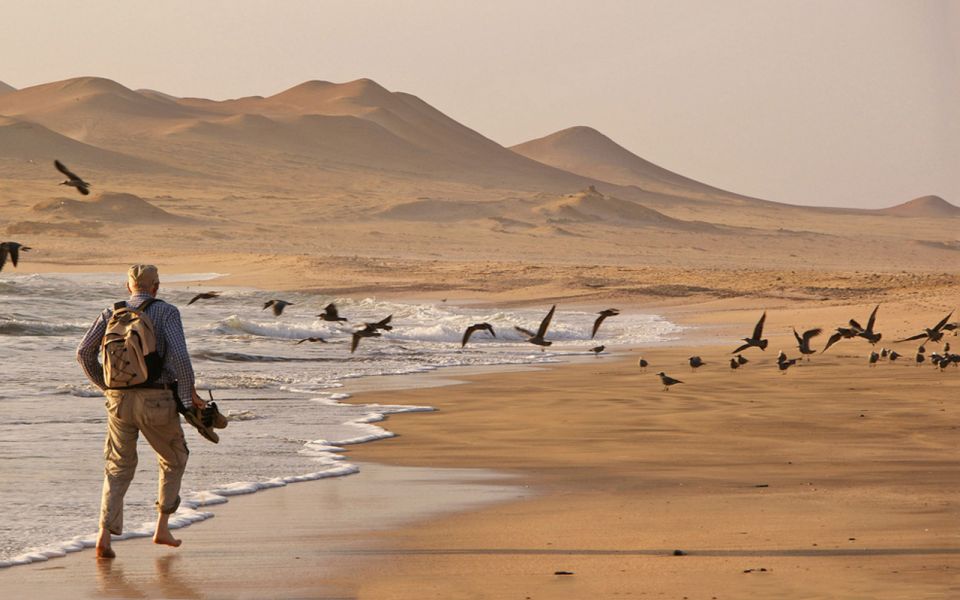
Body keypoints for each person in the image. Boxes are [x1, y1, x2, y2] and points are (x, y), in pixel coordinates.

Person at [77, 264, 204, 559]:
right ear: (157, 286)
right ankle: (161, 527)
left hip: (118, 402)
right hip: (157, 399)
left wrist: (107, 387)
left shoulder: (111, 312)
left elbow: (83, 352)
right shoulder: (166, 312)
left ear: (127, 286)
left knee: (117, 468)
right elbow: (181, 359)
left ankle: (104, 536)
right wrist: (186, 399)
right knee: (174, 458)